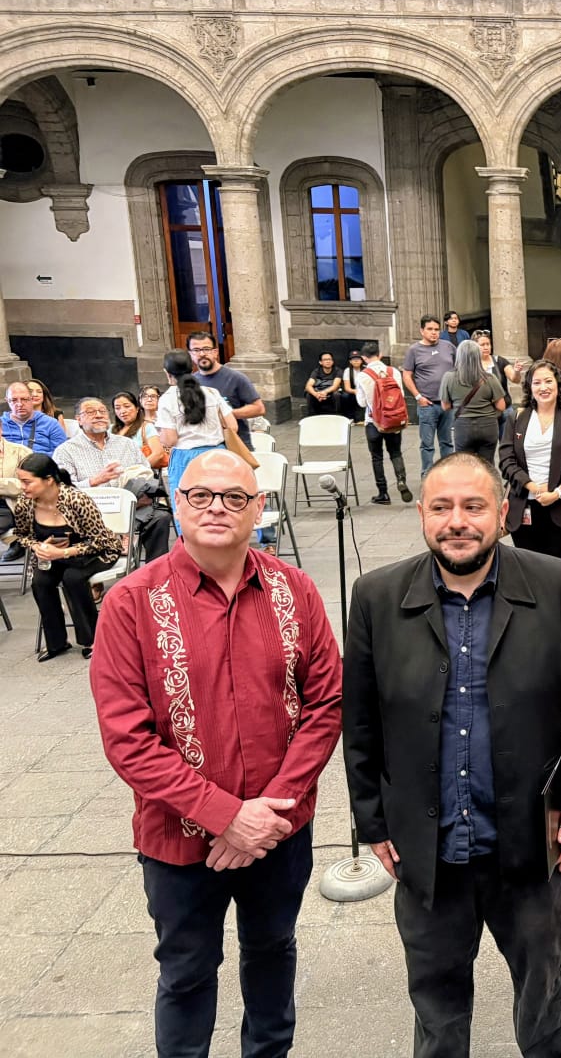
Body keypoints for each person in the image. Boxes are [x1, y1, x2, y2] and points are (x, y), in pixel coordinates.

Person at [88, 449, 342, 1055]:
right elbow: (127, 738)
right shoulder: (131, 602)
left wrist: (268, 812)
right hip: (178, 838)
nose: (216, 509)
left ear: (259, 507)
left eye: (234, 497)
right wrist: (226, 815)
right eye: (200, 496)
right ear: (178, 505)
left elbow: (326, 703)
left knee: (273, 952)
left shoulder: (295, 590)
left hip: (279, 831)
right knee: (186, 972)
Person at [342, 452, 561, 1058]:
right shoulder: (376, 596)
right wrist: (372, 821)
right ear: (422, 516)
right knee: (437, 1012)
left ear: (502, 514)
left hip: (528, 845)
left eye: (474, 507)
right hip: (428, 850)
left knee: (543, 1002)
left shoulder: (556, 586)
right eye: (442, 507)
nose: (458, 521)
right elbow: (361, 720)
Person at [13, 452, 122, 660]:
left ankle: (93, 639)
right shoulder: (25, 504)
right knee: (40, 581)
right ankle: (57, 642)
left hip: (94, 552)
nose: (22, 487)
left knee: (73, 578)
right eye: (21, 481)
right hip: (54, 556)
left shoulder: (76, 500)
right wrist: (37, 546)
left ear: (48, 480)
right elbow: (21, 535)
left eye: (27, 482)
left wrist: (64, 552)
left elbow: (100, 541)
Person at [55, 397, 172, 561]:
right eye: (90, 412)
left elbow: (145, 473)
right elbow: (63, 490)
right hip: (90, 511)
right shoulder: (65, 450)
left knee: (160, 517)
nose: (98, 415)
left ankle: (157, 570)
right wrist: (95, 480)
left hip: (130, 506)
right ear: (78, 419)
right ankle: (111, 550)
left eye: (102, 411)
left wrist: (143, 492)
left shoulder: (126, 444)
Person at [500, 360, 561, 561]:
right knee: (528, 567)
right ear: (529, 387)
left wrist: (557, 492)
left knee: (557, 567)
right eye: (537, 382)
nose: (543, 387)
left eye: (548, 381)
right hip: (524, 506)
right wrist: (531, 486)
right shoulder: (517, 418)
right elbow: (507, 460)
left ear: (558, 384)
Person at [155, 349, 238, 529]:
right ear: (192, 368)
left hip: (185, 458)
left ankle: (191, 546)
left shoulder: (167, 399)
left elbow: (170, 439)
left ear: (167, 373)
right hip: (217, 455)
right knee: (220, 504)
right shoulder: (211, 392)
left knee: (188, 510)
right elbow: (232, 426)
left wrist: (160, 435)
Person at [353, 340, 413, 505]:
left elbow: (362, 403)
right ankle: (401, 480)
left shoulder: (362, 376)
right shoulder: (393, 372)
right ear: (380, 355)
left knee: (377, 457)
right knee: (396, 452)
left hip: (374, 422)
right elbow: (401, 395)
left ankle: (383, 493)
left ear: (364, 358)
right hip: (393, 419)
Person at [187, 331, 264, 450]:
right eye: (196, 350)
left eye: (206, 349)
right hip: (205, 447)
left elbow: (259, 408)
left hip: (236, 446)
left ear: (215, 352)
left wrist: (227, 414)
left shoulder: (235, 378)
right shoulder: (190, 383)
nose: (202, 354)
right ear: (190, 354)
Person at [403, 315, 458, 476]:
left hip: (447, 403)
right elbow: (407, 375)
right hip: (427, 404)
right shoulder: (414, 350)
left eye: (436, 329)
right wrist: (418, 397)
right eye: (430, 329)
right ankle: (427, 475)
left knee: (447, 442)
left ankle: (448, 475)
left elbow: (458, 369)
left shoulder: (448, 347)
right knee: (427, 444)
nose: (434, 332)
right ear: (422, 331)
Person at [439, 338, 506, 463]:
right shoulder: (490, 378)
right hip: (488, 425)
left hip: (463, 426)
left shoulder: (449, 377)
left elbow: (445, 406)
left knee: (465, 466)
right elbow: (501, 406)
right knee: (486, 465)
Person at [3, 380, 66, 455]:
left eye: (24, 399)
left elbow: (61, 454)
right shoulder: (2, 423)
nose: (19, 404)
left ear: (31, 399)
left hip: (41, 460)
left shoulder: (51, 423)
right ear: (7, 400)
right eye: (13, 400)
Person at [112, 389, 167, 471]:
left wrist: (136, 471)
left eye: (127, 406)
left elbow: (158, 453)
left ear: (137, 408)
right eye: (117, 408)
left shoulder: (146, 427)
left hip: (138, 476)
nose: (122, 411)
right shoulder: (110, 430)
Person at [303, 351, 342, 416]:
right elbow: (308, 386)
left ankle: (337, 414)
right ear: (320, 362)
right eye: (325, 360)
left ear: (332, 361)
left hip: (330, 392)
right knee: (309, 394)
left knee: (336, 394)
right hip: (318, 392)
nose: (328, 361)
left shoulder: (337, 371)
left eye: (329, 359)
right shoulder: (316, 371)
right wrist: (316, 394)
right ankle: (311, 415)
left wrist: (325, 392)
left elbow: (335, 386)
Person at [338, 350, 367, 423]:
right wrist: (355, 391)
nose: (356, 361)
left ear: (361, 360)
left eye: (358, 359)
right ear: (350, 361)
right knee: (345, 396)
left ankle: (363, 418)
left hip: (364, 391)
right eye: (353, 359)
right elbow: (347, 388)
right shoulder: (347, 370)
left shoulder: (366, 369)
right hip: (353, 391)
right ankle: (349, 417)